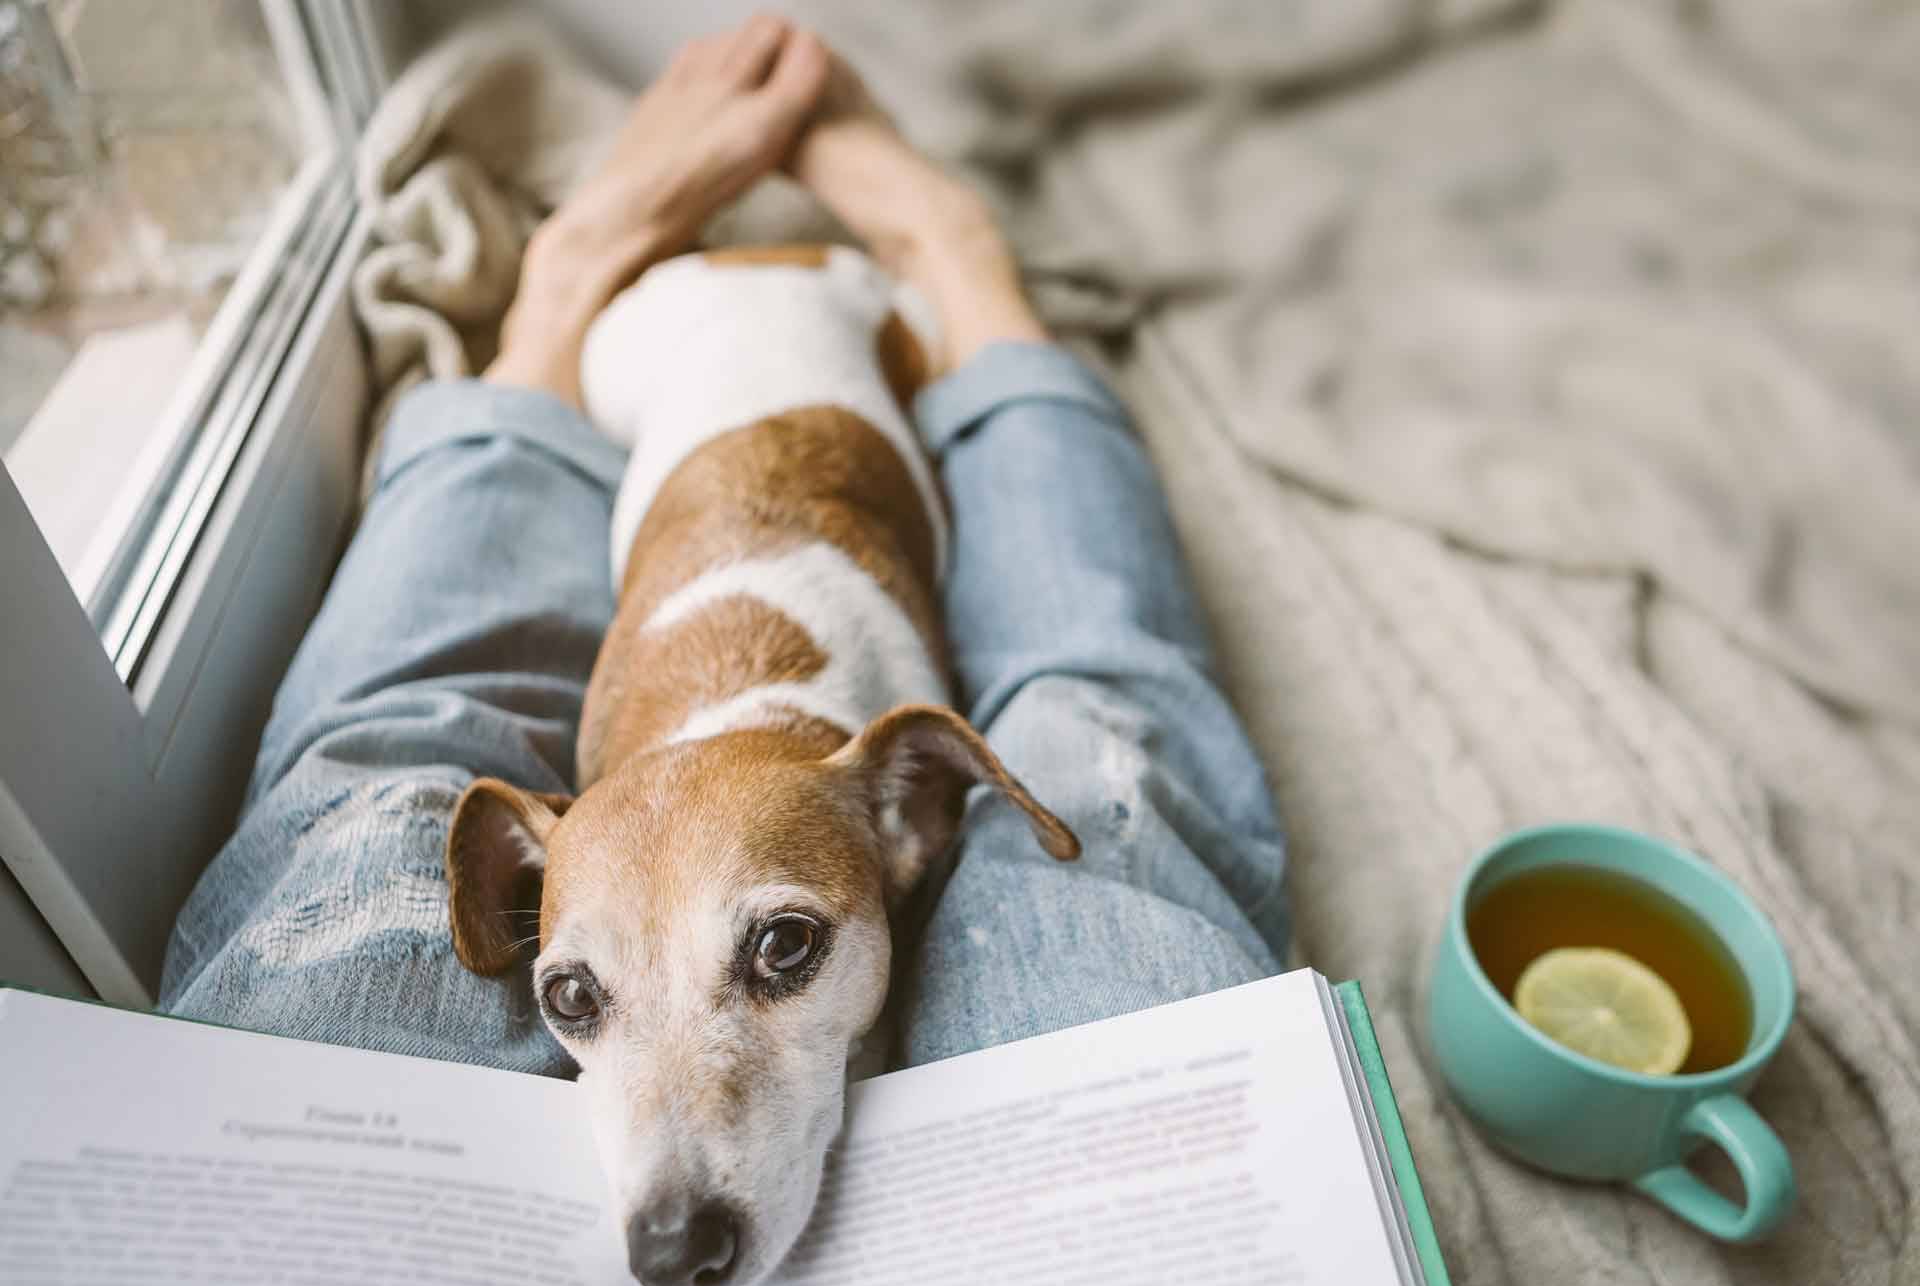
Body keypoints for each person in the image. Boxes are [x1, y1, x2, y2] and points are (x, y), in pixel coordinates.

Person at [159, 15, 1289, 1077]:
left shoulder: (878, 797)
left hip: (845, 331)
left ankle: (856, 267)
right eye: (576, 998)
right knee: (1095, 717)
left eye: (782, 951)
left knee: (387, 761)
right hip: (698, 366)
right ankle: (929, 280)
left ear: (915, 815)